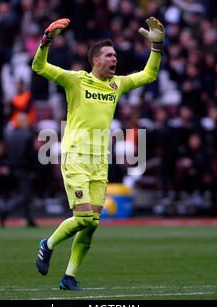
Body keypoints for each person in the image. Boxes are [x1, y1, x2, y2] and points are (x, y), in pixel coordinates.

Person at [32, 17, 165, 290]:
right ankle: (48, 244)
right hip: (75, 157)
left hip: (100, 162)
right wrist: (45, 41)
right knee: (82, 218)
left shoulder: (116, 85)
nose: (114, 58)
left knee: (91, 225)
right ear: (95, 60)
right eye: (109, 55)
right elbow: (39, 66)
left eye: (115, 54)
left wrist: (157, 47)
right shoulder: (76, 81)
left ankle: (69, 277)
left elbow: (149, 75)